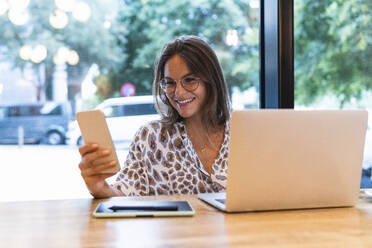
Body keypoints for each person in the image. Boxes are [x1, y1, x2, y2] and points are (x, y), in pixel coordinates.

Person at [78, 35, 231, 198]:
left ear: (211, 81)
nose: (178, 92)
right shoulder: (151, 137)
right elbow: (124, 194)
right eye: (170, 83)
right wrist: (98, 187)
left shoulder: (242, 135)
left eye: (190, 80)